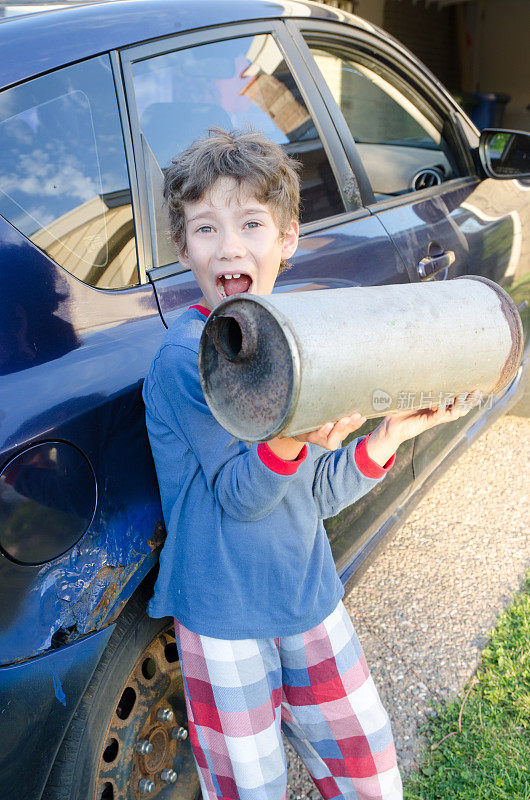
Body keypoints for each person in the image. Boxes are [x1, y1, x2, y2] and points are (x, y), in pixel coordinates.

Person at [142, 128, 478, 800]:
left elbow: (312, 495)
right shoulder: (187, 361)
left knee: (369, 772)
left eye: (252, 223)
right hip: (225, 620)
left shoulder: (295, 343)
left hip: (309, 601)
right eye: (206, 228)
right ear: (183, 249)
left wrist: (386, 437)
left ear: (288, 239)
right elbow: (242, 495)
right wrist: (291, 442)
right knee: (249, 789)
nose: (230, 245)